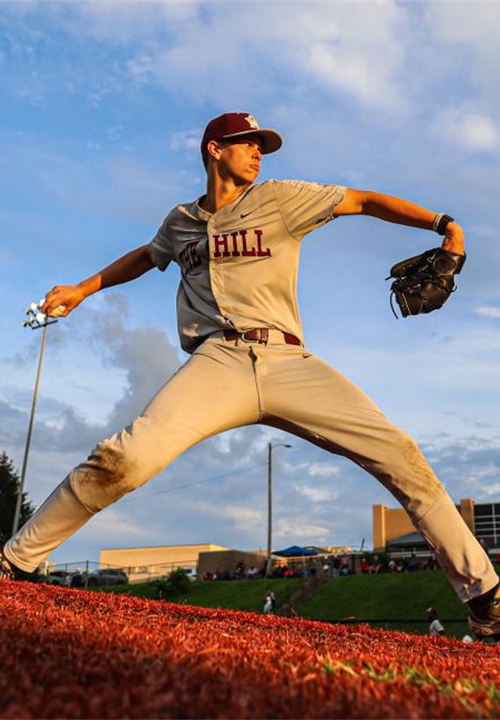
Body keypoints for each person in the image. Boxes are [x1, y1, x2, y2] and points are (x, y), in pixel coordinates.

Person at [1, 111, 499, 639]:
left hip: (288, 360)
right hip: (217, 363)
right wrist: (83, 289)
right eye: (247, 142)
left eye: (262, 145)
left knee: (399, 453)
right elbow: (147, 256)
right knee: (125, 457)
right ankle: (16, 562)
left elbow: (362, 200)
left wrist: (444, 225)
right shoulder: (180, 221)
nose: (259, 152)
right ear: (215, 149)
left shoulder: (281, 198)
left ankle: (486, 597)